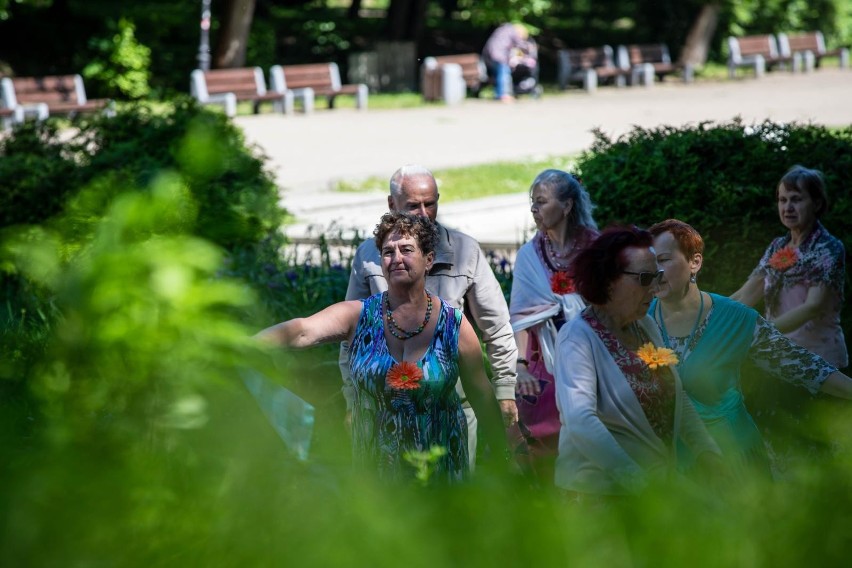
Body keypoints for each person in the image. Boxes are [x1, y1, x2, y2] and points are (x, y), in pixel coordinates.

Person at [257, 211, 506, 482]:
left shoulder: (453, 326)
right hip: (376, 477)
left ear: (429, 260)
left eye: (406, 249)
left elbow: (482, 395)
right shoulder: (358, 315)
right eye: (388, 252)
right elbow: (302, 331)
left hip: (439, 475)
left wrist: (503, 456)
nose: (396, 258)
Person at [341, 164, 518, 466]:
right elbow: (350, 337)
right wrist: (351, 396)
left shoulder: (464, 250)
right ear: (391, 204)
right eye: (413, 206)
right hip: (381, 409)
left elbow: (497, 328)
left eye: (430, 203)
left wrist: (505, 390)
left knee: (450, 498)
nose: (424, 213)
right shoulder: (371, 255)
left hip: (451, 405)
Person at [649, 219, 852, 478]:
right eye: (650, 262)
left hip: (734, 463)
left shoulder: (736, 319)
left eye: (664, 260)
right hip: (668, 468)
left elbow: (804, 366)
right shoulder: (637, 321)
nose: (655, 271)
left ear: (694, 262)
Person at [554, 226, 723, 495]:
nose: (656, 288)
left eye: (657, 277)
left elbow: (677, 394)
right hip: (600, 495)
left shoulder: (644, 325)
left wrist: (707, 451)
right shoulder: (576, 338)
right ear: (609, 281)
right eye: (645, 278)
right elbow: (581, 421)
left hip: (651, 488)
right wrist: (638, 482)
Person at [508, 170, 598, 483]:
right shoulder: (529, 255)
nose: (534, 209)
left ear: (568, 205)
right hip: (543, 358)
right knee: (539, 422)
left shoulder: (597, 251)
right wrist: (520, 366)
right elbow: (520, 315)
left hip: (592, 354)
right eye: (532, 203)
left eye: (541, 202)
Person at [732, 165, 847, 368]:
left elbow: (813, 307)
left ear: (817, 203)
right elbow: (746, 294)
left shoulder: (828, 248)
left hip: (817, 363)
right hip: (776, 359)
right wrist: (708, 314)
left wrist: (759, 332)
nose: (787, 208)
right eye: (782, 200)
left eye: (796, 199)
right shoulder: (778, 245)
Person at [482, 23, 531, 102]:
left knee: (498, 75)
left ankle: (498, 94)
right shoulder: (512, 31)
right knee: (504, 74)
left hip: (488, 55)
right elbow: (520, 44)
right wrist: (528, 48)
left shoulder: (503, 29)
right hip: (499, 55)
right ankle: (504, 95)